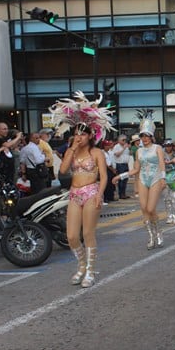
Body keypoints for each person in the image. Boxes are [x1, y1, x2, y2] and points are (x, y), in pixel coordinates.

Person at [51, 90, 113, 288]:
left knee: (88, 233)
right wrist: (71, 147)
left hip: (91, 192)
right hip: (74, 194)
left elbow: (104, 176)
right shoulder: (72, 151)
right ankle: (81, 265)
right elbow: (62, 170)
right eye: (76, 133)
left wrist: (99, 194)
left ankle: (90, 271)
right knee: (71, 235)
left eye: (83, 134)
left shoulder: (97, 153)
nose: (79, 136)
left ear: (90, 135)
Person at [112, 112, 165, 250]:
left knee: (151, 208)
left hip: (155, 178)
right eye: (142, 136)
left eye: (147, 136)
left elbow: (161, 163)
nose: (145, 138)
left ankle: (159, 233)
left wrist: (163, 178)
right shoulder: (139, 152)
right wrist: (120, 176)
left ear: (151, 137)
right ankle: (151, 237)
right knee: (143, 209)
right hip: (142, 179)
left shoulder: (158, 148)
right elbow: (135, 169)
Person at [163, 139, 175, 224]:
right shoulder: (161, 153)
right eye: (167, 146)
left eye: (170, 145)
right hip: (165, 176)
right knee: (167, 198)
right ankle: (169, 216)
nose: (168, 147)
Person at [112, 134, 131, 199]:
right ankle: (121, 194)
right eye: (123, 140)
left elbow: (128, 154)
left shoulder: (126, 146)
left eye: (125, 140)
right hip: (120, 165)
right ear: (119, 140)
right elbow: (117, 154)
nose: (124, 141)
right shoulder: (116, 146)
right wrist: (123, 148)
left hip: (125, 164)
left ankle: (124, 193)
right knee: (121, 180)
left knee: (125, 179)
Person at [102, 140, 117, 205]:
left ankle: (111, 197)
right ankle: (105, 198)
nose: (108, 147)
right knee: (107, 184)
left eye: (109, 145)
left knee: (111, 184)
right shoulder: (102, 153)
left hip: (111, 168)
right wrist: (112, 169)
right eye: (107, 145)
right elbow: (105, 164)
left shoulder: (109, 152)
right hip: (107, 169)